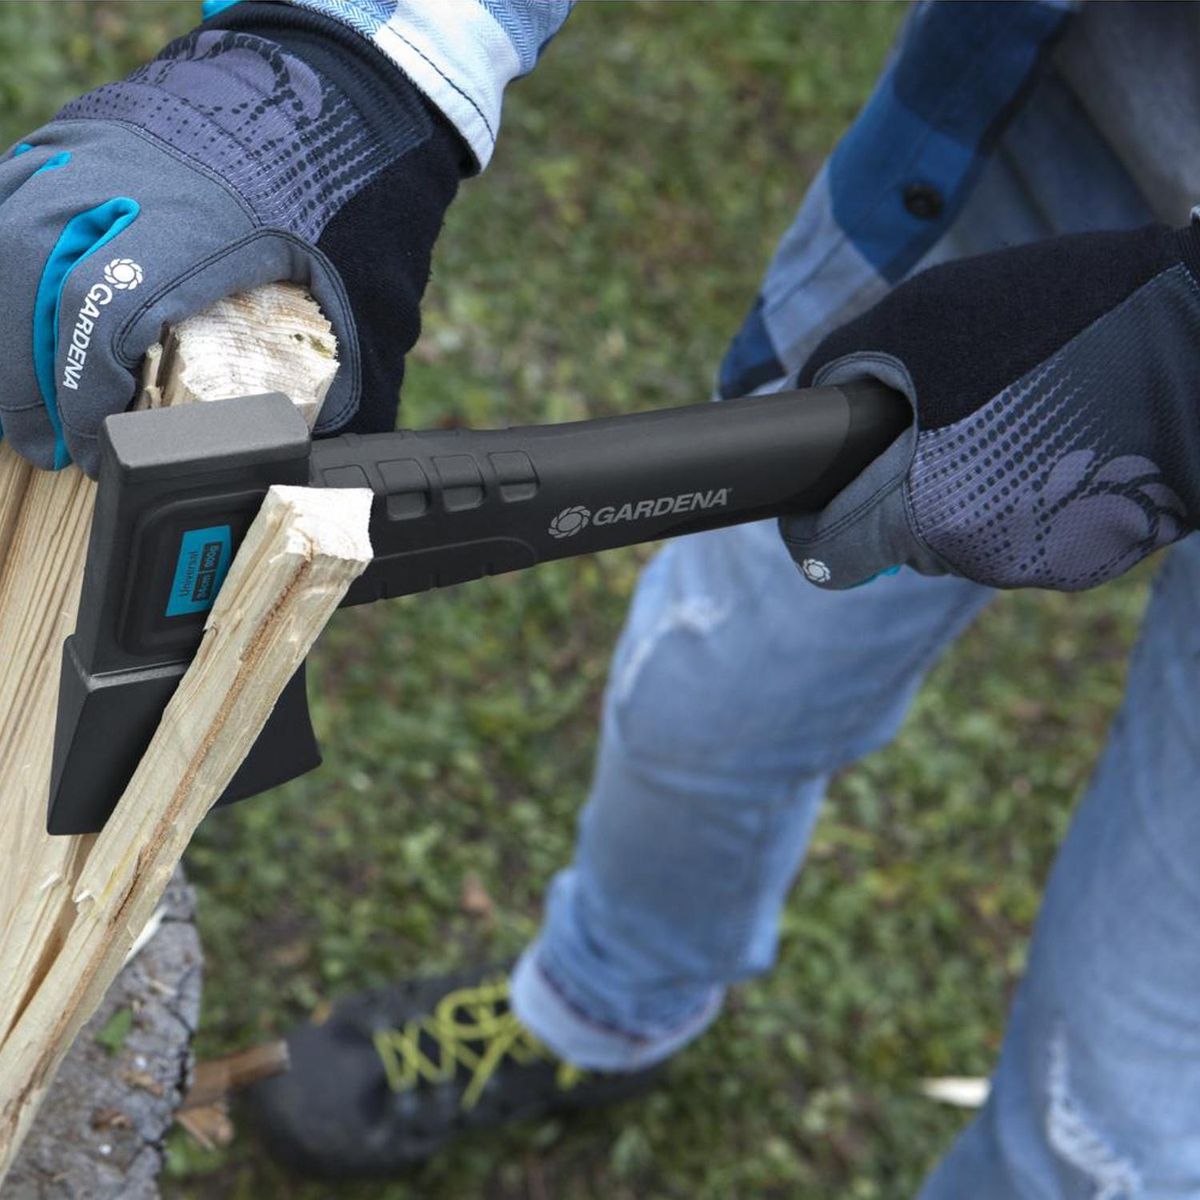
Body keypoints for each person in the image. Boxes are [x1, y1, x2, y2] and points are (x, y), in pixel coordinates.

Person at [8, 0, 1200, 1192]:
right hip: (1056, 116)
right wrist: (344, 60)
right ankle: (606, 1010)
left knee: (1105, 1117)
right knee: (715, 690)